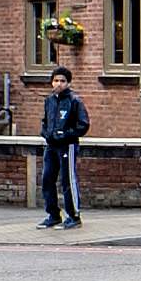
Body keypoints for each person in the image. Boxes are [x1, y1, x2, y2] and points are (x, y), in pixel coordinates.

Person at [38, 63, 87, 228]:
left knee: (68, 180)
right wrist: (45, 134)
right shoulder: (49, 101)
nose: (58, 84)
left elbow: (83, 125)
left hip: (68, 146)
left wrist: (65, 135)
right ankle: (53, 215)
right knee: (47, 179)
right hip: (51, 146)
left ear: (68, 83)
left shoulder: (74, 101)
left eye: (62, 81)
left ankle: (74, 216)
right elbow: (45, 121)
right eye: (56, 80)